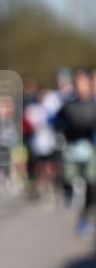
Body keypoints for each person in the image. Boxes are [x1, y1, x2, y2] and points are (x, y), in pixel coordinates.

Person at [54, 67, 96, 237]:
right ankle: (69, 194)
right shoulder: (67, 105)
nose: (81, 85)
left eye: (83, 82)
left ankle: (84, 218)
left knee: (91, 184)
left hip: (90, 149)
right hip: (71, 149)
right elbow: (56, 122)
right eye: (77, 82)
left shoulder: (93, 104)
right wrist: (60, 135)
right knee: (72, 181)